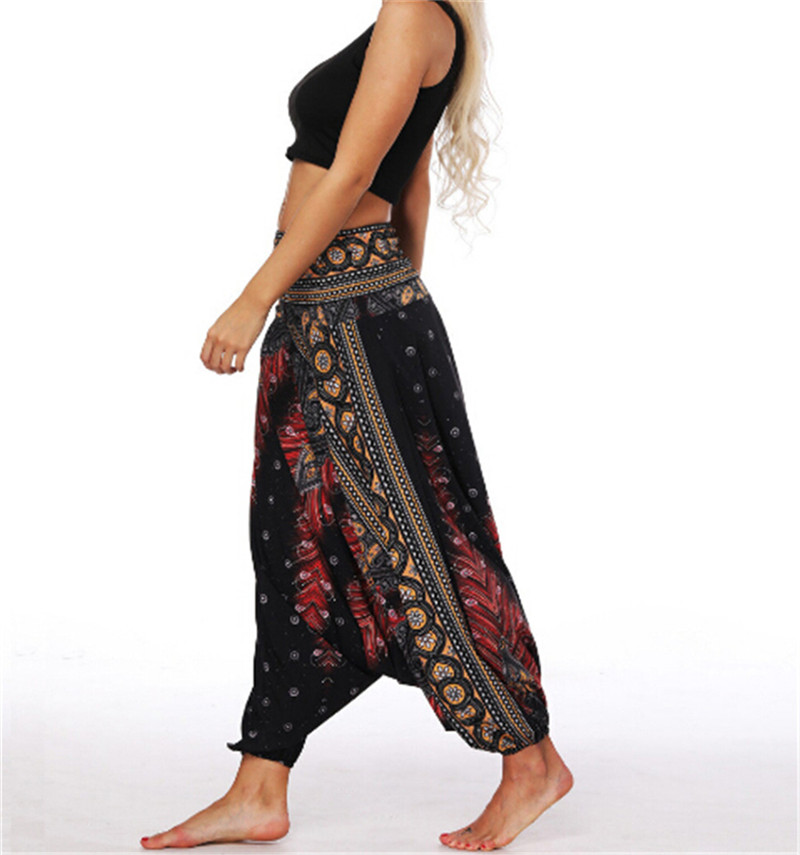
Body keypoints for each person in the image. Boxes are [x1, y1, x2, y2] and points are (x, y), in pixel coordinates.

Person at [141, 0, 573, 850]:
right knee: (290, 547)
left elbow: (352, 175)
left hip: (350, 317)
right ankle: (260, 784)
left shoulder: (414, 12)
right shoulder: (416, 17)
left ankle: (532, 761)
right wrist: (391, 292)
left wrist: (252, 298)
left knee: (423, 544)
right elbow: (412, 178)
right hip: (332, 313)